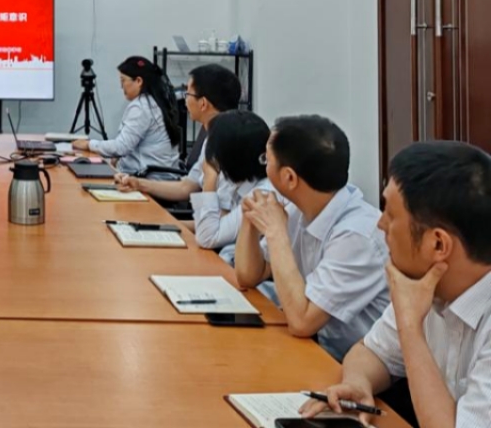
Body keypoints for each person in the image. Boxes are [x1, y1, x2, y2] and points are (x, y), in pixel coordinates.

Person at [301, 141, 491, 428]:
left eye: (390, 214)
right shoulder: (428, 285)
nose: (380, 224)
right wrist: (358, 382)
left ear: (438, 244)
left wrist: (410, 327)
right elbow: (371, 352)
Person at [235, 115, 389, 361]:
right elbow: (248, 275)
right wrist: (250, 218)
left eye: (266, 160)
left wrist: (275, 232)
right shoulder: (301, 208)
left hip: (355, 367)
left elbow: (302, 322)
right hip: (314, 350)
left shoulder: (357, 236)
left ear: (289, 178)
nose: (264, 166)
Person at [115, 63, 242, 202]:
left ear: (203, 104)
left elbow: (219, 213)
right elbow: (186, 187)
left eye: (188, 94)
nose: (185, 100)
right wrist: (138, 183)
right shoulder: (211, 138)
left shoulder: (229, 147)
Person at [72, 56, 180, 175]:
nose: (121, 86)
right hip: (157, 176)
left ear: (138, 81)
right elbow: (130, 144)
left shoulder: (141, 107)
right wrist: (117, 158)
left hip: (147, 179)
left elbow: (121, 147)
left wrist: (89, 144)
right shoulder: (154, 102)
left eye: (123, 80)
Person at [191, 109, 272, 256]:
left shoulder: (262, 195)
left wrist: (209, 180)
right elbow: (215, 221)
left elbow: (207, 237)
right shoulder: (239, 179)